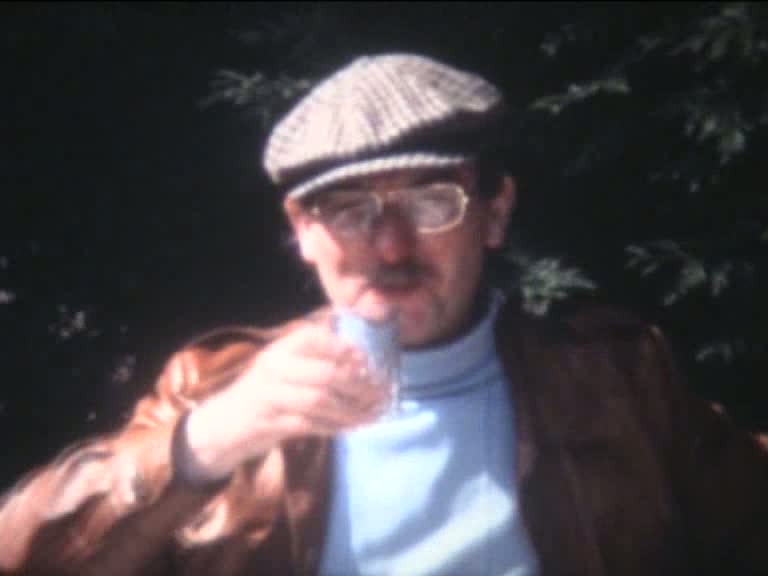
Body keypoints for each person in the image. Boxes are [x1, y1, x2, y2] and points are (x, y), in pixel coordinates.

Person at [1, 53, 766, 576]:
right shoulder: (215, 387)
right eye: (349, 210)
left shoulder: (616, 378)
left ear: (495, 213)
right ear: (304, 233)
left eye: (432, 202)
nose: (393, 246)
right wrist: (207, 442)